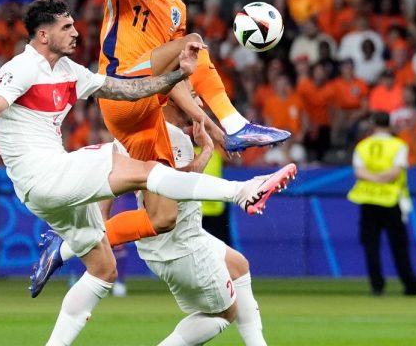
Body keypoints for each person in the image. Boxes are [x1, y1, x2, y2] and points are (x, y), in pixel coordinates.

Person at [0, 0, 296, 345]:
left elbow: (130, 89)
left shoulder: (70, 73)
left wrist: (177, 74)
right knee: (144, 169)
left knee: (103, 270)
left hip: (43, 192)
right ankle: (243, 190)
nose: (76, 32)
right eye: (66, 27)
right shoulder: (21, 68)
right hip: (47, 173)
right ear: (42, 35)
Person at [80, 0, 291, 260]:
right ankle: (236, 123)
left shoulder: (176, 7)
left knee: (163, 217)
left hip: (147, 107)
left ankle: (71, 242)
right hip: (119, 85)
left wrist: (208, 127)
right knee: (192, 43)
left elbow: (178, 76)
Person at [43, 89, 272, 344]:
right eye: (193, 96)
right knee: (225, 313)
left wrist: (103, 219)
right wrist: (207, 149)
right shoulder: (175, 139)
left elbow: (110, 172)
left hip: (166, 238)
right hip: (180, 245)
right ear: (173, 99)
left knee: (239, 266)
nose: (198, 102)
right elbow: (177, 186)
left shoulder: (135, 131)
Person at [347, 111, 416, 297]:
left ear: (372, 123)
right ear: (389, 124)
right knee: (399, 246)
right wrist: (382, 179)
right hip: (391, 200)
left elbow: (359, 172)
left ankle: (377, 286)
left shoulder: (363, 145)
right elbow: (396, 172)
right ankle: (410, 284)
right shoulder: (398, 145)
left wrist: (373, 179)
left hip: (368, 199)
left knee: (371, 245)